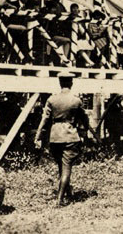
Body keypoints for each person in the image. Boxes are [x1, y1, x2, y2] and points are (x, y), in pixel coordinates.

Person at [34, 72, 90, 206]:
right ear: (71, 83)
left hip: (55, 137)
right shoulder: (76, 100)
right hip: (70, 136)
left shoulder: (52, 100)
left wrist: (38, 136)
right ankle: (59, 200)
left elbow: (45, 120)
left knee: (61, 166)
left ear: (60, 83)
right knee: (66, 169)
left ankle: (68, 193)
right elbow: (84, 118)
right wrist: (85, 130)